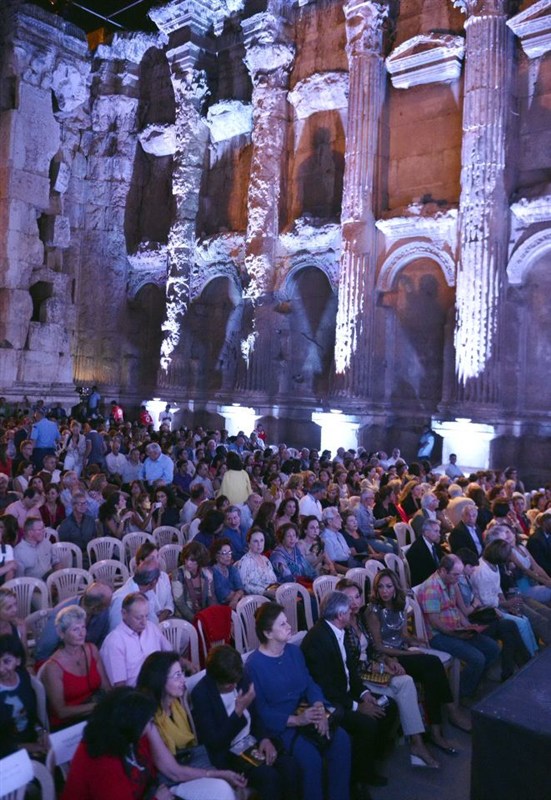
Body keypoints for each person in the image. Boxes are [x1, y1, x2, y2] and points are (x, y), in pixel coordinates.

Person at [244, 603, 351, 800]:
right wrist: (297, 720)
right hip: (283, 726)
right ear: (268, 633)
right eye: (283, 624)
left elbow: (309, 683)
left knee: (341, 740)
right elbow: (260, 711)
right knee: (311, 761)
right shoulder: (254, 666)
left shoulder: (293, 651)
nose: (289, 626)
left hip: (307, 711)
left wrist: (319, 707)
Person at [61, 686, 239, 800]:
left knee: (220, 789)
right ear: (129, 725)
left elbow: (174, 771)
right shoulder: (103, 761)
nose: (151, 726)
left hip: (154, 792)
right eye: (148, 722)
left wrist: (218, 774)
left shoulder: (138, 732)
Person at [366, 571, 472, 746]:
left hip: (402, 650)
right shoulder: (373, 611)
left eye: (389, 586)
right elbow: (378, 647)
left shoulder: (398, 605)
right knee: (433, 663)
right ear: (376, 589)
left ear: (395, 588)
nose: (384, 591)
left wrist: (415, 640)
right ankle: (451, 711)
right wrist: (409, 653)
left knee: (431, 675)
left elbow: (402, 634)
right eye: (381, 587)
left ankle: (436, 729)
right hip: (388, 657)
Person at [192, 645, 301, 800]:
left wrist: (264, 738)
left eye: (236, 681)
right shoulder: (202, 694)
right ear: (216, 679)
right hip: (230, 753)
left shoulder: (241, 676)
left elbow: (256, 715)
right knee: (269, 778)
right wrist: (238, 712)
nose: (235, 686)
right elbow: (215, 743)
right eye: (229, 684)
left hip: (252, 741)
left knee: (290, 767)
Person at [137, 652, 247, 798]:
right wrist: (218, 774)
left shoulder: (176, 704)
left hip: (189, 760)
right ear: (159, 680)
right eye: (177, 675)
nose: (183, 679)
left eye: (182, 673)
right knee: (222, 789)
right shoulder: (149, 718)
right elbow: (173, 772)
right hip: (166, 780)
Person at [416, 555, 503, 699]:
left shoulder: (450, 581)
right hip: (439, 635)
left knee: (493, 648)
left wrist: (468, 626)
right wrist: (457, 634)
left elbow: (454, 607)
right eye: (456, 574)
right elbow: (434, 621)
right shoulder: (431, 588)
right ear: (443, 571)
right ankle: (462, 694)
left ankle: (471, 682)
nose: (459, 577)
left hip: (456, 629)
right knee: (477, 658)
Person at [41, 605, 111, 730]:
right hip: (69, 724)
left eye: (83, 627)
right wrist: (96, 706)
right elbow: (61, 712)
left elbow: (106, 686)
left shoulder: (92, 649)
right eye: (75, 629)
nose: (82, 633)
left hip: (95, 715)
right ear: (62, 634)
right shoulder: (53, 668)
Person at [101, 593, 172, 687]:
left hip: (162, 685)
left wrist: (187, 664)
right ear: (124, 614)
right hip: (137, 695)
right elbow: (120, 687)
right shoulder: (115, 641)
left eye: (146, 616)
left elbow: (170, 655)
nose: (144, 622)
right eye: (138, 617)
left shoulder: (151, 628)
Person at [35, 582, 112, 663]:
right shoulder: (62, 614)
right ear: (95, 608)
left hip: (87, 659)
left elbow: (102, 642)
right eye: (107, 605)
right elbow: (44, 650)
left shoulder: (103, 612)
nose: (109, 607)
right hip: (59, 663)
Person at [0, 633, 47, 758]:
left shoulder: (23, 677)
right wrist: (24, 747)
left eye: (6, 661)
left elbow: (32, 712)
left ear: (18, 660)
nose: (1, 669)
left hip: (31, 739)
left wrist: (41, 731)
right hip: (6, 751)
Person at [172, 542, 215, 622]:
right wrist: (196, 620)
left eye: (192, 560)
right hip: (184, 617)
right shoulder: (178, 574)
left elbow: (211, 598)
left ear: (200, 560)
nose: (188, 563)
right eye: (186, 558)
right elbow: (180, 603)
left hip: (203, 614)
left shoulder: (207, 572)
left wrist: (212, 615)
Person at [235, 529, 278, 596]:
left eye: (261, 540)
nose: (259, 544)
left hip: (273, 593)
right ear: (249, 544)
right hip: (257, 599)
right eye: (255, 541)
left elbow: (274, 580)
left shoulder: (265, 559)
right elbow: (244, 585)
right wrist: (265, 592)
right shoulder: (245, 561)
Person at [406, 518, 445, 587]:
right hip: (425, 585)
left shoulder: (434, 543)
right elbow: (422, 575)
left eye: (439, 531)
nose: (439, 534)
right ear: (426, 533)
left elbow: (441, 560)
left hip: (436, 578)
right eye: (436, 531)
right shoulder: (416, 551)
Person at [211, 539, 245, 609]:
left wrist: (235, 600)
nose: (228, 556)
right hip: (220, 607)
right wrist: (238, 596)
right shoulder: (213, 572)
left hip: (236, 603)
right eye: (224, 553)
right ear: (216, 556)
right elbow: (223, 595)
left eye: (229, 552)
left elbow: (240, 588)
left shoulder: (232, 569)